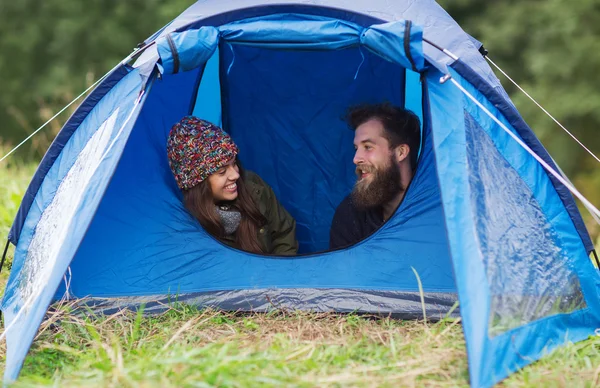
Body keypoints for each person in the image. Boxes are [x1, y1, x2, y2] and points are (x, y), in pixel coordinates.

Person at [167, 116, 298, 255]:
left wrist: (279, 273)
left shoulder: (254, 187)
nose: (235, 175)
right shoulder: (187, 226)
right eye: (222, 171)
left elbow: (284, 234)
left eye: (234, 163)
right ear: (197, 182)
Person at [329, 103, 421, 250]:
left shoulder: (436, 210)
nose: (356, 159)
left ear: (401, 153)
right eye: (356, 148)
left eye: (368, 147)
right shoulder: (350, 214)